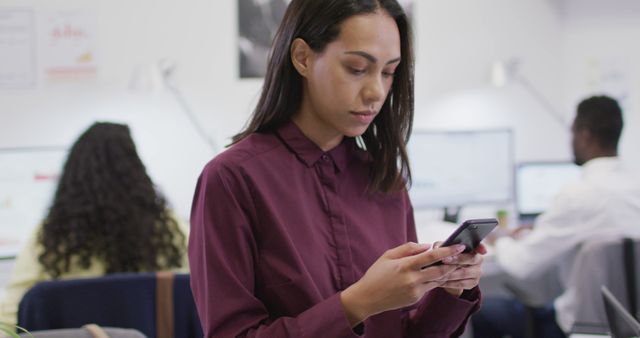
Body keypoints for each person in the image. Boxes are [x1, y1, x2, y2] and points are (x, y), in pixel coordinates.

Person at [189, 1, 486, 337]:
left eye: (389, 72)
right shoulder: (232, 180)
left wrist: (450, 290)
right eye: (357, 68)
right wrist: (357, 304)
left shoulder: (385, 180)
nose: (376, 91)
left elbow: (406, 331)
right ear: (302, 57)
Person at [472, 95, 640, 337]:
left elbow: (522, 265)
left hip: (576, 327)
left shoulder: (578, 195)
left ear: (585, 134)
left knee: (480, 310)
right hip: (630, 324)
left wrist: (501, 240)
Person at [0, 122, 189, 327]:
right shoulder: (170, 229)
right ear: (135, 166)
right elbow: (199, 294)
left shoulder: (51, 236)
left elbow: (12, 312)